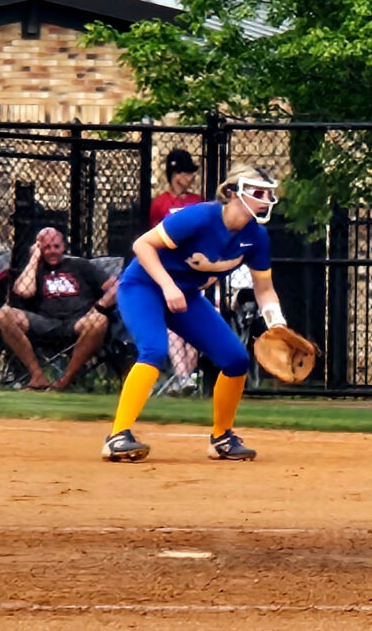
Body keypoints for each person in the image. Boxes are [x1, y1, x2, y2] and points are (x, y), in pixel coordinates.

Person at [102, 163, 287, 462]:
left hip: (185, 296)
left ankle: (221, 438)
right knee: (154, 349)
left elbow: (264, 288)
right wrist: (167, 286)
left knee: (236, 359)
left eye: (269, 194)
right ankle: (117, 436)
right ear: (232, 193)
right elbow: (142, 245)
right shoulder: (200, 217)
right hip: (144, 286)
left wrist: (277, 323)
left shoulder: (256, 236)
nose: (266, 199)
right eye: (258, 192)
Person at [0, 227, 118, 391]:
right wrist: (34, 259)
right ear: (38, 247)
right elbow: (24, 291)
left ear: (64, 246)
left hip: (78, 322)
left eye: (56, 246)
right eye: (46, 247)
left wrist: (99, 306)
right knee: (3, 315)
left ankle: (65, 381)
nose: (52, 251)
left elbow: (117, 287)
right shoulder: (33, 269)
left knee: (99, 321)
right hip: (43, 323)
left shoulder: (80, 265)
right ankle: (37, 376)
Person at [150, 148, 204, 395]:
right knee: (173, 324)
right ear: (175, 173)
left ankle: (185, 378)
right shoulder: (160, 203)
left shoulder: (197, 200)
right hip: (170, 269)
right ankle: (185, 378)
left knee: (196, 321)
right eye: (185, 172)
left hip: (195, 267)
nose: (190, 177)